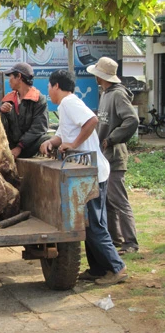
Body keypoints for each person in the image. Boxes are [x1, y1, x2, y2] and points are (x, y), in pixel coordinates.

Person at [40, 69, 127, 285]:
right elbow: (63, 134)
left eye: (49, 87)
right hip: (85, 173)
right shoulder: (65, 106)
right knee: (87, 225)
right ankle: (97, 269)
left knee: (94, 225)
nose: (48, 91)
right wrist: (52, 142)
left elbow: (92, 120)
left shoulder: (69, 103)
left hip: (92, 174)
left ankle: (117, 267)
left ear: (57, 86)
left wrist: (74, 144)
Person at [87, 57, 140, 254]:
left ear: (101, 76)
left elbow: (131, 120)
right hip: (105, 156)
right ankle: (115, 238)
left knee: (119, 200)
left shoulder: (117, 95)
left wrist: (112, 138)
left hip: (114, 155)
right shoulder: (106, 93)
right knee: (108, 200)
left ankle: (130, 242)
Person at [0, 62, 50, 160]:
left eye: (11, 77)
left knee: (47, 139)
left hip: (29, 147)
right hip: (8, 146)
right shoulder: (8, 98)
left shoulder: (39, 99)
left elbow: (39, 128)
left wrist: (19, 147)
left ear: (19, 76)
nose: (9, 80)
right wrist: (0, 110)